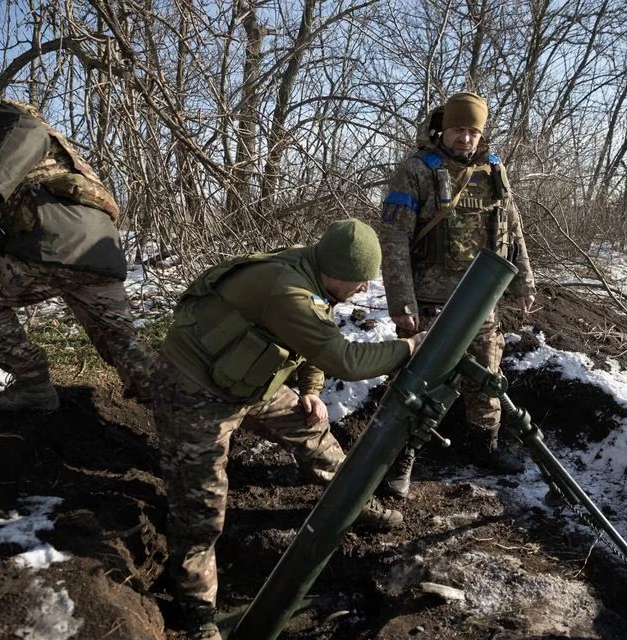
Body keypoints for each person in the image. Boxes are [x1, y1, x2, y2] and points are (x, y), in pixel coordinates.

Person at [152, 219, 425, 639]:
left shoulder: (314, 272)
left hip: (251, 378)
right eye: (358, 280)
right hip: (195, 390)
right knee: (200, 507)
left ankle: (351, 500)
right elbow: (346, 360)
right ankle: (196, 612)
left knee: (312, 432)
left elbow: (316, 335)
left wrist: (311, 390)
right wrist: (409, 348)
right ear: (334, 270)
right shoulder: (288, 289)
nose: (364, 290)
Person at [0, 83, 155, 411]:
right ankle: (186, 414)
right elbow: (10, 238)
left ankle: (34, 387)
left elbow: (28, 131)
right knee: (122, 345)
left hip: (55, 247)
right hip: (98, 252)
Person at [378, 91, 537, 499]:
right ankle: (398, 461)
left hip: (483, 299)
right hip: (431, 304)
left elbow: (512, 229)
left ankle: (484, 445)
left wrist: (524, 282)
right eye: (458, 129)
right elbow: (394, 240)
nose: (465, 138)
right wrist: (402, 303)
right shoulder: (415, 170)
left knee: (487, 376)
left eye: (472, 130)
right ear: (442, 128)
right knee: (418, 384)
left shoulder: (494, 169)